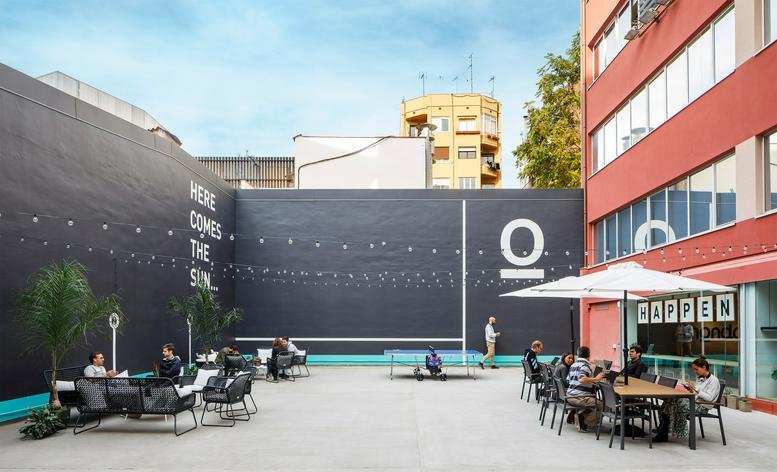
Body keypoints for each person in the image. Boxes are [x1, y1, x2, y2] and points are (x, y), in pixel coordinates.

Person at [653, 356, 721, 442]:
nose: (695, 372)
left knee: (673, 402)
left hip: (702, 407)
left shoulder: (714, 381)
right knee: (669, 400)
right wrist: (690, 389)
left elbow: (710, 398)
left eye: (696, 369)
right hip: (694, 402)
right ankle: (663, 431)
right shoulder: (701, 379)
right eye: (694, 370)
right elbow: (697, 393)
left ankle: (664, 432)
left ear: (704, 367)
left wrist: (696, 389)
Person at [565, 346, 606, 432]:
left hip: (569, 396)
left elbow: (568, 379)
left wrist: (591, 379)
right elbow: (581, 379)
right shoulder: (585, 366)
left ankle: (575, 415)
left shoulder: (573, 365)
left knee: (593, 400)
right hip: (579, 398)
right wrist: (596, 379)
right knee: (604, 406)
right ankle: (583, 421)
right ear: (589, 355)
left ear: (577, 354)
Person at [554, 351, 576, 424]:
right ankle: (576, 417)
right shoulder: (563, 368)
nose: (571, 360)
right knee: (580, 394)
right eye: (569, 358)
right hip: (562, 394)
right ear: (564, 358)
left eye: (572, 359)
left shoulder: (560, 365)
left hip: (557, 392)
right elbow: (566, 383)